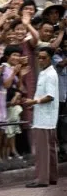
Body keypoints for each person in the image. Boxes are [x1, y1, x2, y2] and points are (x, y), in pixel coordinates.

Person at [25, 46, 59, 188]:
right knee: (49, 149)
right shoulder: (45, 73)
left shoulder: (50, 74)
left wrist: (34, 102)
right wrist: (35, 104)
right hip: (46, 117)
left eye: (44, 58)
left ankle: (42, 179)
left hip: (45, 119)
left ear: (50, 58)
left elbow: (50, 96)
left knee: (42, 150)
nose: (40, 60)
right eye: (39, 57)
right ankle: (51, 177)